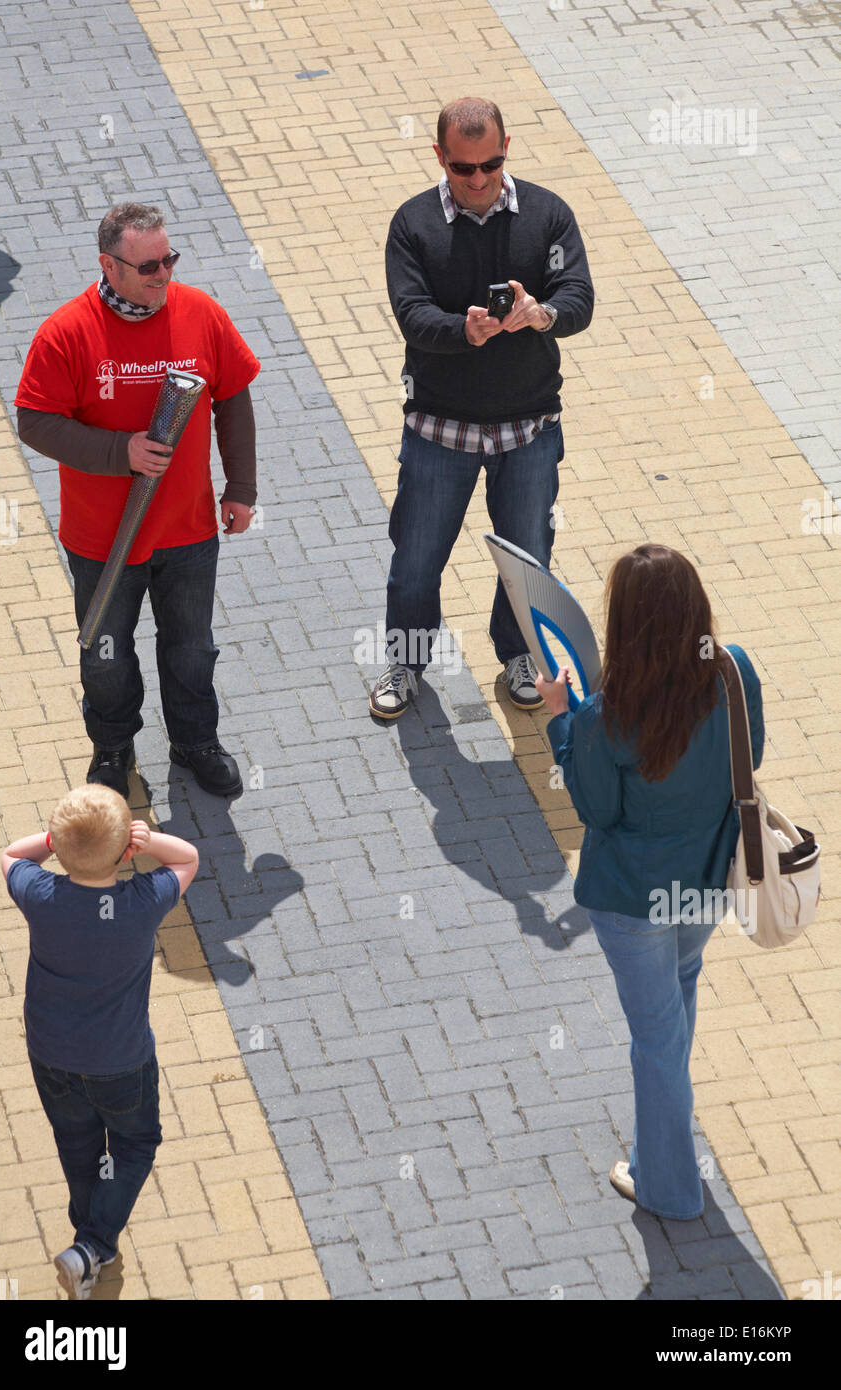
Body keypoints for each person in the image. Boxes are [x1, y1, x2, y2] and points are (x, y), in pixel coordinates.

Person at [536, 545, 764, 1221]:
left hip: (633, 902)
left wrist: (559, 720)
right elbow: (751, 756)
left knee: (656, 1040)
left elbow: (597, 810)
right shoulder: (734, 673)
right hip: (703, 883)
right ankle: (658, 1145)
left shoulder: (608, 715)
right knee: (677, 999)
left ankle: (668, 1186)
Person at [15, 203, 261, 798]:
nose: (163, 273)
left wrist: (242, 489)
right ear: (109, 264)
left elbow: (233, 398)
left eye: (169, 258)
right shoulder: (67, 331)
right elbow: (35, 421)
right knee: (105, 655)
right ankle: (113, 748)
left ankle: (196, 741)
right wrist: (118, 451)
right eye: (148, 264)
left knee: (193, 648)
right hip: (103, 541)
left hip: (189, 530)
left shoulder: (200, 313)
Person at [371, 96, 594, 719]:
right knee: (416, 558)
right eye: (462, 168)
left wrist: (541, 314)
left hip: (529, 426)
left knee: (527, 555)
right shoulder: (412, 224)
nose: (478, 180)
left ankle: (520, 653)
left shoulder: (548, 215)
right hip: (439, 428)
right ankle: (406, 661)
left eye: (490, 164)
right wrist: (461, 331)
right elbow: (411, 314)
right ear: (439, 156)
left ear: (507, 149)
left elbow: (578, 296)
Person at [1, 784, 199, 1299]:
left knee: (78, 1146)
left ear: (61, 851)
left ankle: (89, 1232)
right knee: (134, 1144)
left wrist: (54, 840)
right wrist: (150, 840)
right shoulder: (141, 902)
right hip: (122, 1062)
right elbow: (189, 860)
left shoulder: (40, 896)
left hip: (52, 1056)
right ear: (125, 849)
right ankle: (91, 1246)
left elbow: (11, 854)